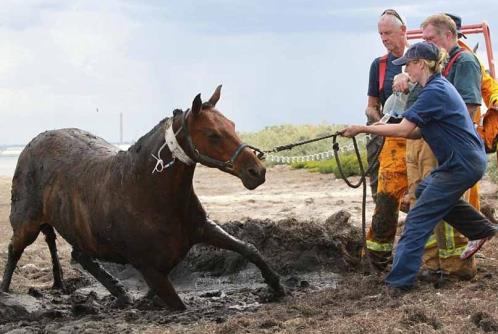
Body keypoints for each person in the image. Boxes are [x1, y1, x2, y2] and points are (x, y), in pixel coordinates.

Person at [341, 41, 497, 291]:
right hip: (460, 161)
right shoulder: (434, 89)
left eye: (409, 66)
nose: (406, 71)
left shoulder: (434, 91)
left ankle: (398, 283)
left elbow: (403, 128)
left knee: (417, 219)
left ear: (421, 65)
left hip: (461, 164)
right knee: (425, 190)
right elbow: (414, 133)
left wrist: (362, 128)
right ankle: (481, 229)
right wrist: (375, 128)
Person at [395, 14, 491, 279]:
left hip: (455, 153)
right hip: (437, 147)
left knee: (425, 213)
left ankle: (453, 268)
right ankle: (447, 254)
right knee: (424, 195)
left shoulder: (465, 62)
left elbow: (468, 109)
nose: (426, 42)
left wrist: (448, 144)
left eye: (430, 38)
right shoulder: (438, 71)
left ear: (449, 35)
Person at [364, 9, 410, 270]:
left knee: (419, 196)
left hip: (416, 138)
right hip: (387, 137)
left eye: (389, 33)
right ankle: (378, 259)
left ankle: (423, 254)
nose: (384, 39)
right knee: (383, 199)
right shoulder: (379, 65)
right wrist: (377, 118)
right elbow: (371, 104)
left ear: (403, 31)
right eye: (381, 34)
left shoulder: (422, 58)